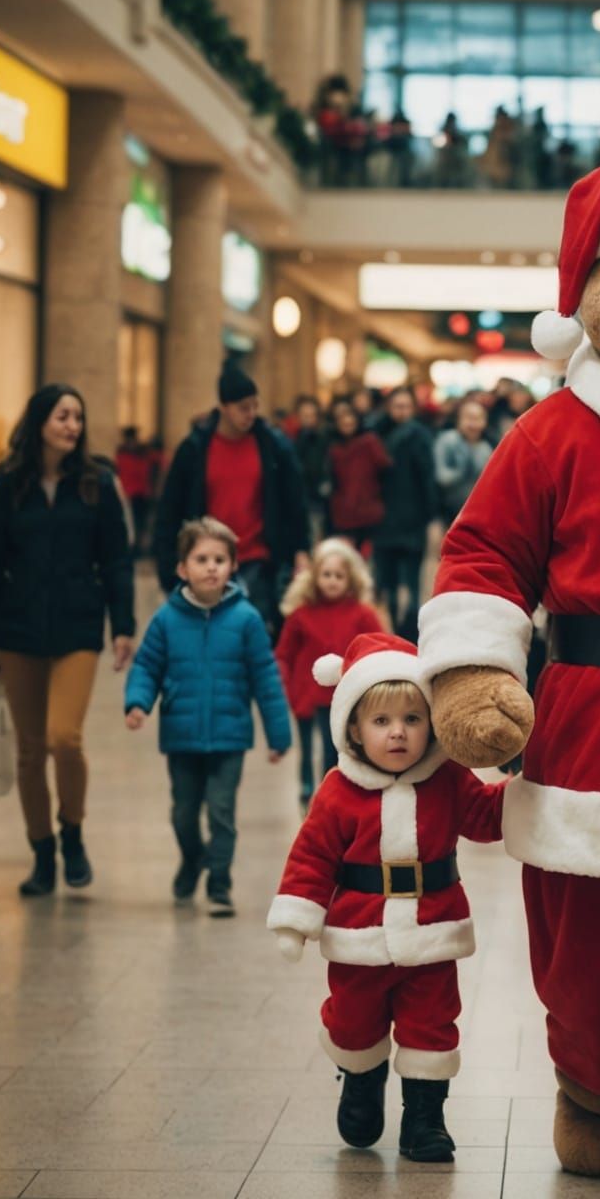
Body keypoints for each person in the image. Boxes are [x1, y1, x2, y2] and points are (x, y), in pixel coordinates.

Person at [267, 634, 507, 1156]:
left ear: (432, 723)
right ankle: (361, 1079)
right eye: (381, 721)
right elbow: (312, 857)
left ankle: (425, 1119)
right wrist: (296, 917)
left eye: (412, 719)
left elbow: (487, 818)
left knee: (432, 1025)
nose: (398, 732)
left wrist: (522, 788)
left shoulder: (448, 778)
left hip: (432, 931)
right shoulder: (338, 791)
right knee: (353, 1022)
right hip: (360, 934)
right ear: (354, 728)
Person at [0, 384, 135, 896]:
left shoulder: (97, 483)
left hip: (77, 627)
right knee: (30, 750)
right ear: (40, 422)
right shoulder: (11, 484)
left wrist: (123, 625)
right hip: (16, 629)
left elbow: (117, 560)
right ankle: (42, 852)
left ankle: (72, 833)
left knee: (64, 737)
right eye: (63, 416)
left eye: (77, 417)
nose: (72, 426)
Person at [124, 517, 292, 916]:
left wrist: (278, 734)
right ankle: (192, 858)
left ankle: (219, 884)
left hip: (229, 736)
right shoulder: (166, 619)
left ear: (233, 566)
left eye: (220, 559)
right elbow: (147, 665)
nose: (212, 567)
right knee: (183, 814)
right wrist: (137, 702)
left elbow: (265, 678)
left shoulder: (247, 619)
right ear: (182, 569)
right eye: (201, 559)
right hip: (181, 734)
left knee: (221, 813)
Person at [152, 366, 310, 638]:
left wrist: (300, 549)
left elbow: (294, 501)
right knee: (212, 637)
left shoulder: (272, 446)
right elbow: (170, 508)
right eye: (243, 408)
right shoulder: (195, 448)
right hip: (209, 560)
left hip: (258, 560)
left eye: (255, 406)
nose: (251, 414)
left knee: (255, 638)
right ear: (224, 407)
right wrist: (168, 568)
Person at [277, 539, 385, 809]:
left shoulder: (363, 614)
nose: (332, 581)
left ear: (351, 579)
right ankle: (306, 790)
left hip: (343, 696)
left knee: (334, 747)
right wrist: (285, 685)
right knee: (306, 746)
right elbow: (284, 654)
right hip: (305, 694)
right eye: (326, 574)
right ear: (314, 577)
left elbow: (380, 647)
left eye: (339, 575)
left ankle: (330, 792)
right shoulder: (301, 615)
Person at [372, 387, 438, 640]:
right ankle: (395, 632)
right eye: (397, 406)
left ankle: (409, 634)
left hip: (411, 519)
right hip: (384, 519)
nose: (401, 411)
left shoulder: (419, 436)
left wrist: (430, 515)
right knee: (387, 583)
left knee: (412, 583)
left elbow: (427, 478)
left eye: (406, 406)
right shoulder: (377, 433)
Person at [327, 399, 390, 545]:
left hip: (369, 509)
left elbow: (384, 468)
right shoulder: (334, 449)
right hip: (345, 512)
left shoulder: (369, 442)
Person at [433, 398, 493, 525]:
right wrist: (462, 472)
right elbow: (440, 477)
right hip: (445, 512)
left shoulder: (486, 449)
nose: (473, 424)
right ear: (459, 419)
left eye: (478, 418)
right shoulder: (447, 441)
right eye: (469, 418)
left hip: (474, 515)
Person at [292, 396, 332, 543]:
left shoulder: (325, 438)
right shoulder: (292, 439)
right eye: (305, 416)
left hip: (319, 498)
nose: (309, 419)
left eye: (312, 415)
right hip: (301, 498)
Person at [115, 427, 154, 553]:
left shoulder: (141, 454)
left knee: (140, 522)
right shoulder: (123, 454)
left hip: (140, 493)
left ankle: (138, 546)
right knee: (130, 522)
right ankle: (132, 546)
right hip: (128, 493)